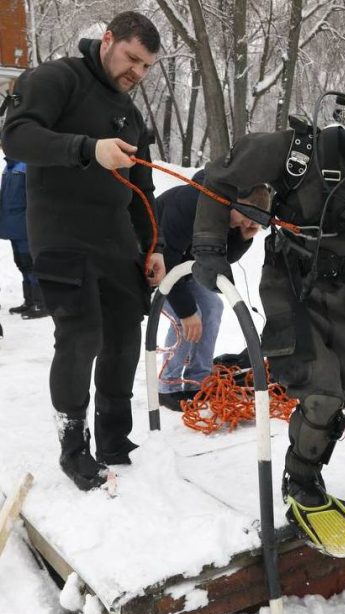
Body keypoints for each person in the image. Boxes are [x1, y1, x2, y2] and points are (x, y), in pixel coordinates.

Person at [191, 102, 345, 562]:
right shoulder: (301, 152)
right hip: (292, 285)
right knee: (322, 394)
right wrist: (208, 247)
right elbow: (218, 177)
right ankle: (301, 479)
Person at [1, 11, 165, 491]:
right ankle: (74, 450)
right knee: (82, 337)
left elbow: (143, 188)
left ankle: (115, 438)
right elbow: (16, 136)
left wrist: (153, 248)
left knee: (123, 337)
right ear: (108, 40)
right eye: (132, 58)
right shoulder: (57, 78)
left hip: (116, 238)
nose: (137, 72)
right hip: (61, 233)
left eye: (147, 66)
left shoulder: (131, 114)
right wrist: (87, 149)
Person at [155, 171, 269, 410]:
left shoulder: (228, 215)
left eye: (255, 221)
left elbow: (222, 257)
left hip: (185, 267)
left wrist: (243, 237)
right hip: (151, 264)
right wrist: (186, 311)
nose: (249, 223)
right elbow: (166, 260)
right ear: (234, 199)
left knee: (212, 306)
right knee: (186, 314)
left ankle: (197, 380)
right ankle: (169, 385)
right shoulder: (192, 203)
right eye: (247, 216)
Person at [0, 154, 46, 318]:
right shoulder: (8, 168)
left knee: (31, 264)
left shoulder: (27, 166)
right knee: (21, 264)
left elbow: (34, 198)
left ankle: (41, 304)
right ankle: (29, 301)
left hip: (26, 226)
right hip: (11, 226)